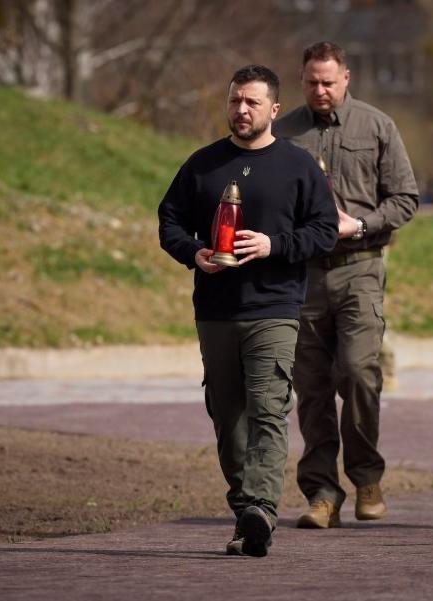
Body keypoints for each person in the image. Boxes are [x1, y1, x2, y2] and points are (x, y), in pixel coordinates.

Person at [157, 64, 337, 556]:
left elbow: (324, 230)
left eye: (252, 102)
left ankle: (261, 506)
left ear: (274, 109)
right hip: (215, 310)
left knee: (268, 409)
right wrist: (193, 252)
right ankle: (248, 514)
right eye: (236, 100)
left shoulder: (299, 167)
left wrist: (274, 245)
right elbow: (168, 222)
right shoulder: (202, 164)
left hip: (274, 309)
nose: (242, 109)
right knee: (227, 417)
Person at [273, 41, 419, 529]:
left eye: (328, 82)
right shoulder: (283, 132)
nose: (320, 90)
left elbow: (405, 198)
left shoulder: (377, 126)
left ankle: (367, 477)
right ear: (301, 80)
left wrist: (358, 225)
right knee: (310, 388)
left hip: (360, 266)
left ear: (347, 78)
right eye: (312, 82)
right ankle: (321, 493)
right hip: (302, 273)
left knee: (358, 372)